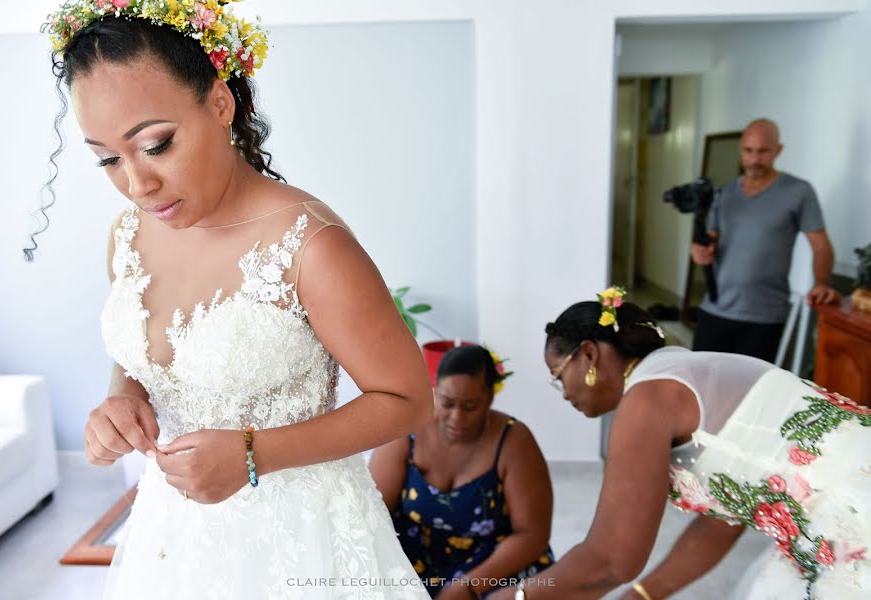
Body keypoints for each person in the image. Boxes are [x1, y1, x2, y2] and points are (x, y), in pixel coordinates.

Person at [37, 2, 432, 598]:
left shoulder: (311, 246)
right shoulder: (126, 238)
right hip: (170, 534)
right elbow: (146, 356)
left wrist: (255, 454)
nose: (137, 185)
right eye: (108, 159)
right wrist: (120, 402)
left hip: (301, 537)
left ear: (220, 104)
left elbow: (407, 401)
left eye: (157, 144)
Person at [491, 287, 869, 600]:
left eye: (558, 376)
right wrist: (641, 595)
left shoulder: (648, 397)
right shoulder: (683, 371)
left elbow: (611, 559)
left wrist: (521, 595)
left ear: (589, 355)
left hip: (854, 521)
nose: (563, 393)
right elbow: (721, 522)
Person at [370, 345, 555, 599]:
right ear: (434, 392)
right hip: (417, 561)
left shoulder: (513, 441)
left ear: (490, 397)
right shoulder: (408, 430)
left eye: (470, 406)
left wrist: (467, 587)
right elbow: (374, 514)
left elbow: (532, 534)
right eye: (446, 403)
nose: (456, 417)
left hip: (493, 566)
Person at [690, 118, 839, 362]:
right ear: (741, 149)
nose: (754, 159)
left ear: (778, 150)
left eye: (762, 151)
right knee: (702, 386)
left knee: (753, 394)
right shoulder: (724, 194)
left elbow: (821, 245)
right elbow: (710, 244)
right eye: (748, 151)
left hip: (763, 317)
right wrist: (699, 252)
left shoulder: (799, 192)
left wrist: (821, 283)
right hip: (714, 311)